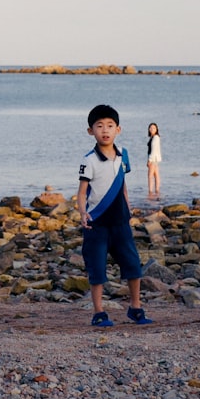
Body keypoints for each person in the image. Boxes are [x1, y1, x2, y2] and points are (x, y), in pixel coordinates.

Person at [78, 104, 154, 327]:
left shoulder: (124, 155)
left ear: (118, 130)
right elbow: (82, 192)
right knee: (97, 268)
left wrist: (128, 209)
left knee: (132, 265)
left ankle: (136, 307)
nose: (105, 130)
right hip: (97, 223)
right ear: (91, 131)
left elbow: (123, 186)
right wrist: (83, 213)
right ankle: (99, 312)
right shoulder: (88, 160)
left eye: (110, 126)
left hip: (120, 221)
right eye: (99, 126)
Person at [146, 122, 162, 199]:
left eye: (153, 128)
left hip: (153, 159)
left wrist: (149, 160)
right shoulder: (154, 137)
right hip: (155, 159)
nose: (152, 129)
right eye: (151, 128)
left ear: (156, 129)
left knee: (150, 176)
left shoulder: (155, 138)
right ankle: (157, 191)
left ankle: (150, 192)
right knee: (156, 175)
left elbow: (154, 150)